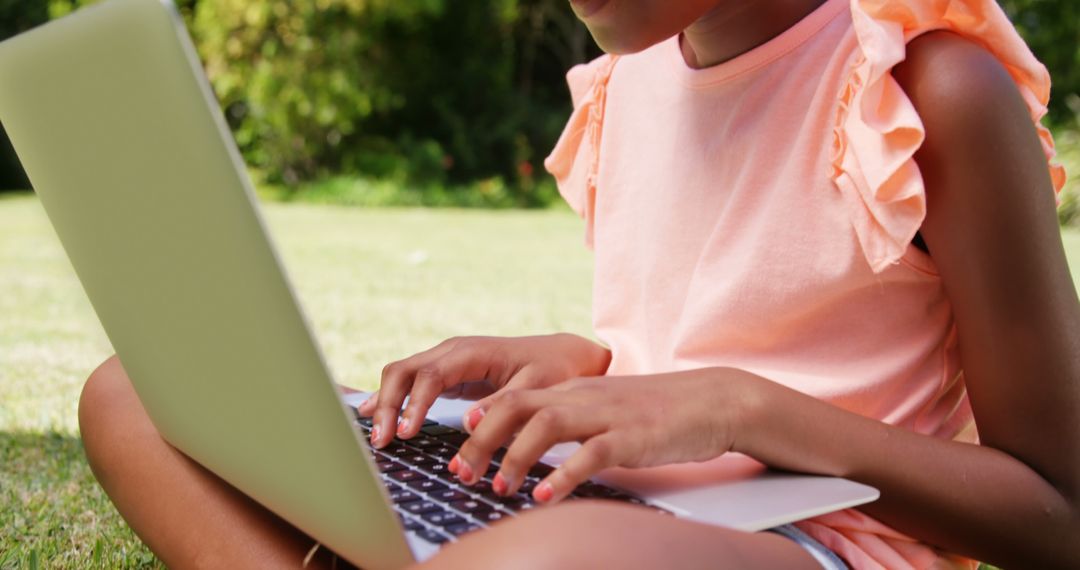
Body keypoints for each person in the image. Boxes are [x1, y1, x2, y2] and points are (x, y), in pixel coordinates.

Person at [79, 0, 1080, 567]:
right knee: (138, 394)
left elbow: (1054, 516)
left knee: (543, 565)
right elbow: (690, 334)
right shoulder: (637, 70)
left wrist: (742, 410)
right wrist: (574, 363)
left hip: (808, 545)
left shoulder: (928, 88)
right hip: (592, 498)